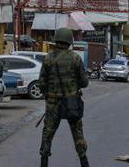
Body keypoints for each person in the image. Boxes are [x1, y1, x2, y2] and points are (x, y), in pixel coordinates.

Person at [38, 28, 89, 167]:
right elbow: (84, 83)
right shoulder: (75, 58)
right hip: (72, 102)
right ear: (70, 41)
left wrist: (48, 94)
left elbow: (41, 83)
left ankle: (44, 162)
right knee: (77, 133)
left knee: (47, 134)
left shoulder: (48, 58)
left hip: (53, 103)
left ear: (57, 40)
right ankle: (84, 162)